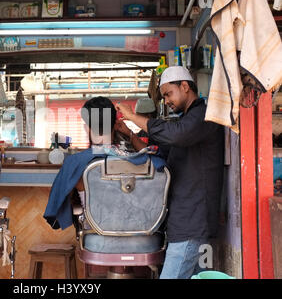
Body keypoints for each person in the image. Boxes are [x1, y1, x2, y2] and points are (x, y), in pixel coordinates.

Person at [115, 66, 224, 279]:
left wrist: (132, 116)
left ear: (185, 86)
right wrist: (129, 134)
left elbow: (175, 136)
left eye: (168, 94)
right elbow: (162, 154)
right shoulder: (186, 121)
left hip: (193, 220)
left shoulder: (203, 116)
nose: (166, 101)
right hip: (184, 217)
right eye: (164, 96)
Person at [43, 96, 165, 230]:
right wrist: (130, 133)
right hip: (141, 232)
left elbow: (60, 206)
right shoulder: (142, 160)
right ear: (116, 125)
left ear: (87, 128)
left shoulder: (76, 163)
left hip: (97, 233)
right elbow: (157, 159)